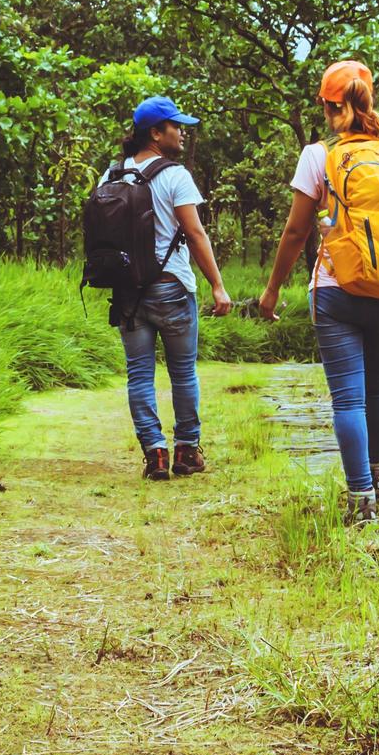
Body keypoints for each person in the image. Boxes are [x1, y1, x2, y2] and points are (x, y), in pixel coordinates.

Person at [255, 61, 379, 522]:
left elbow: (296, 232)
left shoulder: (318, 155)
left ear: (327, 105)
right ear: (368, 99)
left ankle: (361, 499)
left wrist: (273, 289)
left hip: (336, 291)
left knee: (348, 399)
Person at [106, 95, 233, 480]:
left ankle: (155, 454)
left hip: (128, 293)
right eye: (175, 127)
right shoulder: (175, 175)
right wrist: (218, 286)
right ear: (155, 133)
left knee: (139, 374)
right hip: (172, 287)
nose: (181, 132)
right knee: (182, 372)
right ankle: (186, 452)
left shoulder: (111, 176)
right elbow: (195, 234)